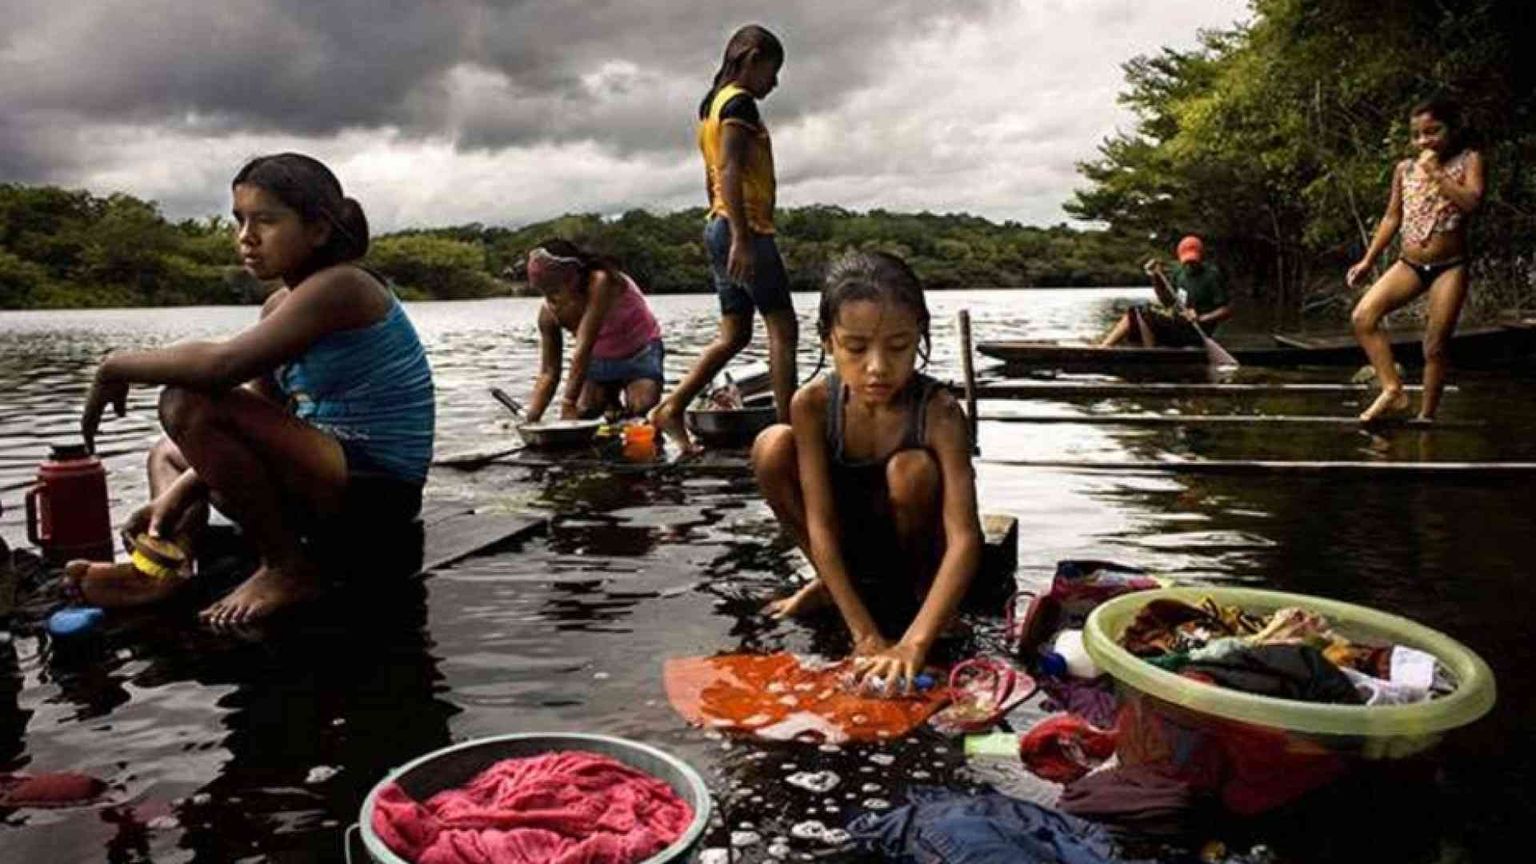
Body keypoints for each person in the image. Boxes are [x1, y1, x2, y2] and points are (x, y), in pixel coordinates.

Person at [66, 153, 435, 626]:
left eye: (266, 221)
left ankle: (286, 567)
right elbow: (258, 411)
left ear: (318, 230)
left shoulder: (344, 287)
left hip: (377, 492)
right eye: (239, 220)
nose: (246, 237)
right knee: (168, 452)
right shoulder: (281, 303)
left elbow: (221, 367)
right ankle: (165, 563)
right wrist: (175, 498)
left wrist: (116, 365)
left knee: (186, 399)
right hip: (324, 473)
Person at [751, 251, 985, 691]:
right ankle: (830, 584)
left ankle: (923, 598)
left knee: (910, 469)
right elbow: (819, 523)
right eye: (856, 348)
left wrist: (913, 643)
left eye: (898, 347)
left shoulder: (939, 412)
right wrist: (864, 636)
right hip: (850, 541)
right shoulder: (813, 405)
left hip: (914, 550)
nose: (877, 367)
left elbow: (966, 538)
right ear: (828, 342)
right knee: (771, 446)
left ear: (919, 337)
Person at [650, 24, 796, 449]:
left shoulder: (710, 104)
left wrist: (721, 225)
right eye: (772, 69)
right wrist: (742, 238)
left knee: (735, 334)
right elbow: (729, 169)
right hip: (744, 227)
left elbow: (710, 175)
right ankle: (788, 433)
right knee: (782, 329)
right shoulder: (740, 105)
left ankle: (672, 408)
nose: (775, 81)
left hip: (719, 223)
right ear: (751, 59)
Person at [1348, 96, 1485, 423]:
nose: (1424, 140)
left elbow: (1472, 203)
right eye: (1418, 135)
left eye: (1433, 131)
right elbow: (1392, 218)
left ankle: (1426, 417)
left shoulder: (1469, 160)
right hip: (1409, 263)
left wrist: (1438, 173)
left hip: (1449, 266)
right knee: (1363, 317)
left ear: (1451, 129)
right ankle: (1393, 390)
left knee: (1435, 346)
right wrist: (1368, 260)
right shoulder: (1405, 169)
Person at [523, 239, 664, 421]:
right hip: (599, 362)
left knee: (642, 409)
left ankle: (617, 401)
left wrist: (568, 404)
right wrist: (531, 419)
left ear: (572, 279)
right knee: (585, 411)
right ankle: (611, 400)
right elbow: (549, 372)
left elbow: (584, 347)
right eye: (544, 293)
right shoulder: (548, 314)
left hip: (639, 353)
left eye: (555, 291)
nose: (551, 300)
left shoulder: (601, 281)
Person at [1099, 235, 1233, 347]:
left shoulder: (1211, 276)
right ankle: (1104, 347)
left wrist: (1201, 318)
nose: (1190, 265)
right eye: (1187, 261)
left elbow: (1226, 310)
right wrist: (1155, 277)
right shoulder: (1179, 272)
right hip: (1178, 324)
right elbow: (1167, 302)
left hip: (1197, 332)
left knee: (1142, 311)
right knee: (1135, 312)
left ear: (1201, 256)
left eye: (1194, 261)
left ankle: (1150, 353)